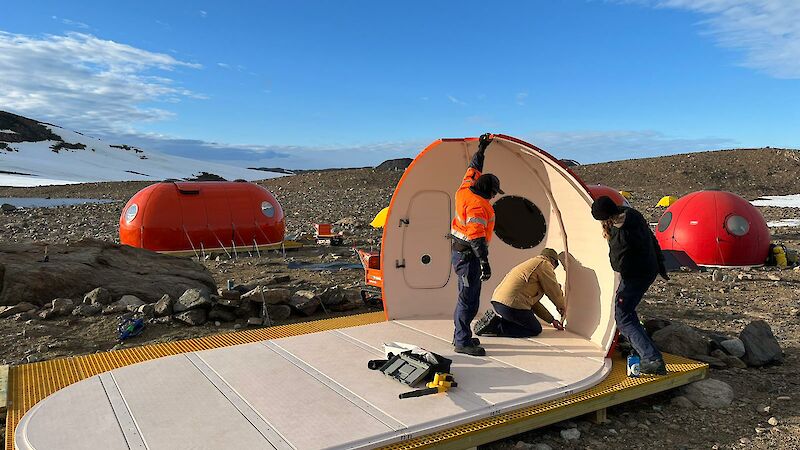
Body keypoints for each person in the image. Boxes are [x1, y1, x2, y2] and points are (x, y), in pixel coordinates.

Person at [591, 196, 669, 375]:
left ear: (604, 219)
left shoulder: (620, 237)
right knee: (629, 311)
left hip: (634, 276)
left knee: (623, 316)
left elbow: (618, 268)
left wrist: (618, 292)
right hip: (649, 269)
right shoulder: (633, 214)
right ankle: (638, 344)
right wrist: (660, 264)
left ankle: (652, 359)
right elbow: (652, 239)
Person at [450, 133, 504, 356]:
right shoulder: (478, 206)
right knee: (468, 299)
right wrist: (484, 262)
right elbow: (476, 237)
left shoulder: (466, 189)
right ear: (487, 192)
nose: (493, 197)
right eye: (493, 193)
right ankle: (462, 341)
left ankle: (462, 337)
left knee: (467, 297)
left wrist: (482, 149)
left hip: (460, 254)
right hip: (468, 257)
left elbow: (473, 169)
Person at [473, 248, 566, 338]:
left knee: (522, 321)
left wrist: (551, 320)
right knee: (534, 329)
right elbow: (554, 290)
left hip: (499, 302)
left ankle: (495, 321)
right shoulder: (544, 264)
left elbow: (533, 304)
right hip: (511, 305)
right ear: (553, 261)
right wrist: (562, 306)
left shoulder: (531, 264)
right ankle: (496, 327)